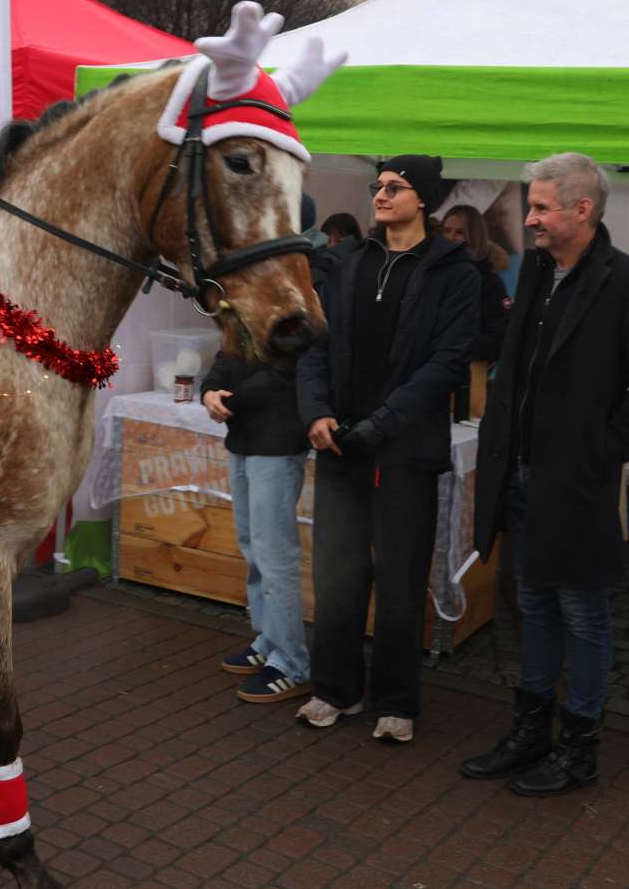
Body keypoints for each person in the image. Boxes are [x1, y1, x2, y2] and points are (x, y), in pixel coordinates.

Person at [461, 152, 629, 795]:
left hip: (576, 479)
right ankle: (530, 732)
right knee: (533, 602)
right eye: (530, 206)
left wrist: (602, 448)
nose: (529, 218)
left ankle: (579, 747)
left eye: (540, 207)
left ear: (582, 210)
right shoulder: (535, 272)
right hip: (518, 472)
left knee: (583, 613)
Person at [294, 154, 479, 743]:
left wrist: (383, 423)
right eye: (377, 185)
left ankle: (397, 700)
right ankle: (335, 690)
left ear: (422, 198)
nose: (379, 194)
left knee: (400, 580)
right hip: (340, 445)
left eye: (394, 187)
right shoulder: (349, 259)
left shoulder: (454, 272)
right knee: (336, 576)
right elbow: (315, 344)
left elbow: (446, 363)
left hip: (404, 452)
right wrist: (315, 411)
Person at [203, 338, 311, 704]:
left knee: (274, 554)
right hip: (243, 438)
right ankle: (269, 639)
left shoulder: (293, 313)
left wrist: (228, 401)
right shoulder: (241, 316)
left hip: (278, 442)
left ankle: (292, 662)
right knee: (252, 546)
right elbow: (225, 356)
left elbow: (285, 371)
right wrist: (209, 392)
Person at [441, 204, 512, 420]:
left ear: (474, 236)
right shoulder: (429, 275)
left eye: (460, 232)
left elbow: (498, 337)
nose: (451, 237)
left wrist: (457, 345)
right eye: (446, 230)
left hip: (468, 380)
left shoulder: (489, 283)